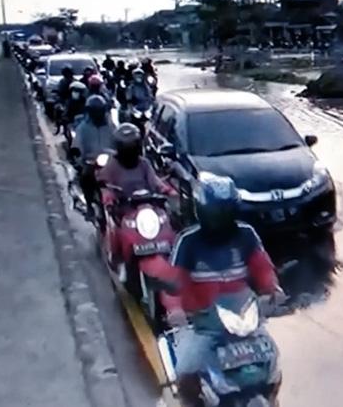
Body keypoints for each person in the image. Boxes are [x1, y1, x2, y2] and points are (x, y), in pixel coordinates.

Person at [163, 173, 282, 403]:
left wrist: (272, 289)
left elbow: (262, 267)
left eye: (226, 214)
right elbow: (173, 282)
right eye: (218, 214)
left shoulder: (246, 234)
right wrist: (175, 310)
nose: (222, 220)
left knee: (273, 362)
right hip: (204, 323)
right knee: (186, 371)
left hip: (243, 319)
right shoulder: (188, 242)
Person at [98, 123, 175, 278]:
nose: (130, 151)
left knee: (169, 225)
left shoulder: (144, 164)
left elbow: (155, 182)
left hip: (147, 207)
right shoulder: (113, 165)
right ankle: (121, 262)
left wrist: (169, 190)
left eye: (133, 147)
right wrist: (109, 198)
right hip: (125, 209)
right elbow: (106, 186)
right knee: (118, 233)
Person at [71, 95, 115, 217]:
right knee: (85, 178)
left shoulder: (110, 126)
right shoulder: (83, 128)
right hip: (91, 163)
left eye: (100, 111)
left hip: (109, 161)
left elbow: (117, 139)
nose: (98, 114)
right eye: (95, 111)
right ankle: (89, 204)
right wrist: (77, 155)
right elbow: (77, 143)